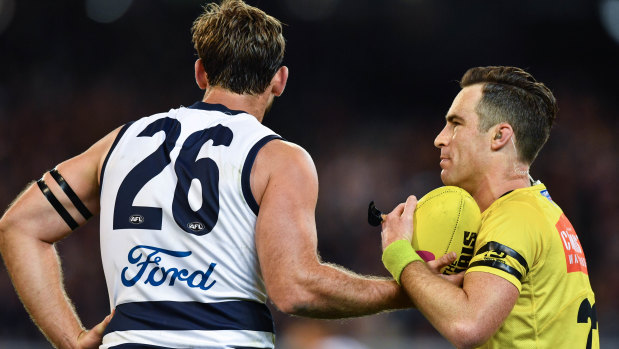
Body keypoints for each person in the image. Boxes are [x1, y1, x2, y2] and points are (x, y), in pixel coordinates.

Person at [0, 1, 458, 348]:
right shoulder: (279, 158)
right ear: (279, 80)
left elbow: (19, 225)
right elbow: (294, 288)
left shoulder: (123, 141)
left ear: (201, 72)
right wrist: (406, 291)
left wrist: (71, 337)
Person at [379, 66, 599, 348]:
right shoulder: (540, 211)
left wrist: (398, 252)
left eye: (455, 124)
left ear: (499, 136)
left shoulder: (514, 217)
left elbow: (468, 325)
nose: (440, 138)